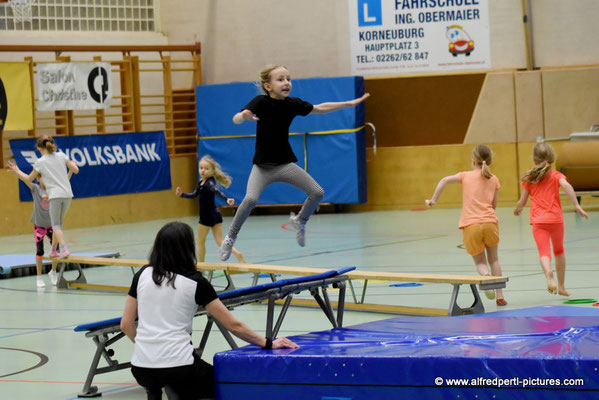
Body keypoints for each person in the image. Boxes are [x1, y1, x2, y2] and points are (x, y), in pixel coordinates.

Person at [121, 221, 298, 400]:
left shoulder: (141, 275)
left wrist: (150, 349)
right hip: (178, 367)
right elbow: (233, 325)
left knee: (160, 383)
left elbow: (126, 324)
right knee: (220, 384)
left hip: (141, 367)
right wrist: (269, 343)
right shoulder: (196, 282)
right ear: (187, 249)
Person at [219, 64, 370, 261]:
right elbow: (237, 118)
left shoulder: (292, 104)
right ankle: (230, 238)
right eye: (280, 79)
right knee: (250, 200)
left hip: (285, 165)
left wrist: (349, 104)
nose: (286, 82)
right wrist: (243, 116)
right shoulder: (260, 102)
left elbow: (320, 108)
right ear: (268, 86)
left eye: (288, 78)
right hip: (262, 167)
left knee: (317, 192)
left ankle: (300, 220)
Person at [425, 144, 507, 306]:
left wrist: (433, 200)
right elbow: (494, 205)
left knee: (480, 263)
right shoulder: (494, 179)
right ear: (489, 161)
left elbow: (444, 180)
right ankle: (500, 295)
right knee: (494, 259)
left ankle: (485, 277)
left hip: (471, 225)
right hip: (490, 223)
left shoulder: (465, 176)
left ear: (473, 161)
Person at [514, 142, 588, 296]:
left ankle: (549, 273)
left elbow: (522, 201)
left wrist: (518, 209)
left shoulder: (530, 179)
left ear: (534, 160)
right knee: (559, 251)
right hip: (556, 220)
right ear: (552, 158)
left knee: (544, 253)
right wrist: (576, 205)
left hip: (539, 221)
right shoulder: (556, 176)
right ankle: (561, 286)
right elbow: (567, 186)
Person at [176, 155, 246, 263]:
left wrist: (226, 199)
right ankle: (238, 254)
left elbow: (216, 190)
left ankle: (201, 266)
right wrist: (182, 194)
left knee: (200, 242)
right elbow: (194, 194)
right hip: (215, 215)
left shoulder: (209, 183)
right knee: (220, 241)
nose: (203, 171)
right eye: (201, 168)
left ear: (212, 171)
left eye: (206, 168)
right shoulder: (201, 182)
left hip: (206, 217)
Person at [19, 135, 79, 259]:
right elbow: (76, 170)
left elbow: (29, 179)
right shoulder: (62, 156)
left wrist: (17, 171)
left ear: (40, 149)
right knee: (59, 225)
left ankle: (65, 249)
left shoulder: (40, 162)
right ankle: (53, 250)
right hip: (68, 195)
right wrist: (73, 164)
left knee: (55, 225)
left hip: (55, 196)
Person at [6, 161, 60, 287]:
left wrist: (69, 171)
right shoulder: (35, 189)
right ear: (38, 178)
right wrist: (16, 170)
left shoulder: (53, 189)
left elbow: (65, 181)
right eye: (43, 178)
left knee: (55, 251)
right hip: (39, 226)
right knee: (39, 251)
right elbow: (25, 179)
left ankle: (53, 272)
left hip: (52, 225)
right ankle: (39, 277)